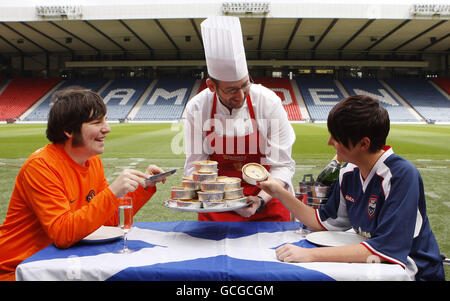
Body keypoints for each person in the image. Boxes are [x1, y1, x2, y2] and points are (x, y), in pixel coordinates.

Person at [257, 95, 445, 281]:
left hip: (414, 271)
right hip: (376, 268)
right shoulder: (348, 172)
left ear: (364, 143)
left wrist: (309, 255)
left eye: (336, 138)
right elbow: (323, 222)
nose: (329, 142)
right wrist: (278, 191)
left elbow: (386, 249)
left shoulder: (400, 175)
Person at [0, 88, 166, 281]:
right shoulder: (41, 166)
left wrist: (142, 187)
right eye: (97, 122)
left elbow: (107, 221)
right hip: (18, 269)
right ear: (69, 130)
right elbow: (62, 234)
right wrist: (112, 192)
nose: (107, 128)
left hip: (54, 265)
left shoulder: (92, 161)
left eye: (105, 120)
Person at [184, 16, 296, 221]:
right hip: (217, 205)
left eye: (245, 84)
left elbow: (282, 166)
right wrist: (226, 201)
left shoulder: (269, 102)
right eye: (231, 90)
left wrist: (259, 201)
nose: (242, 95)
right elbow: (195, 166)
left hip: (268, 201)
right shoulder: (197, 108)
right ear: (211, 86)